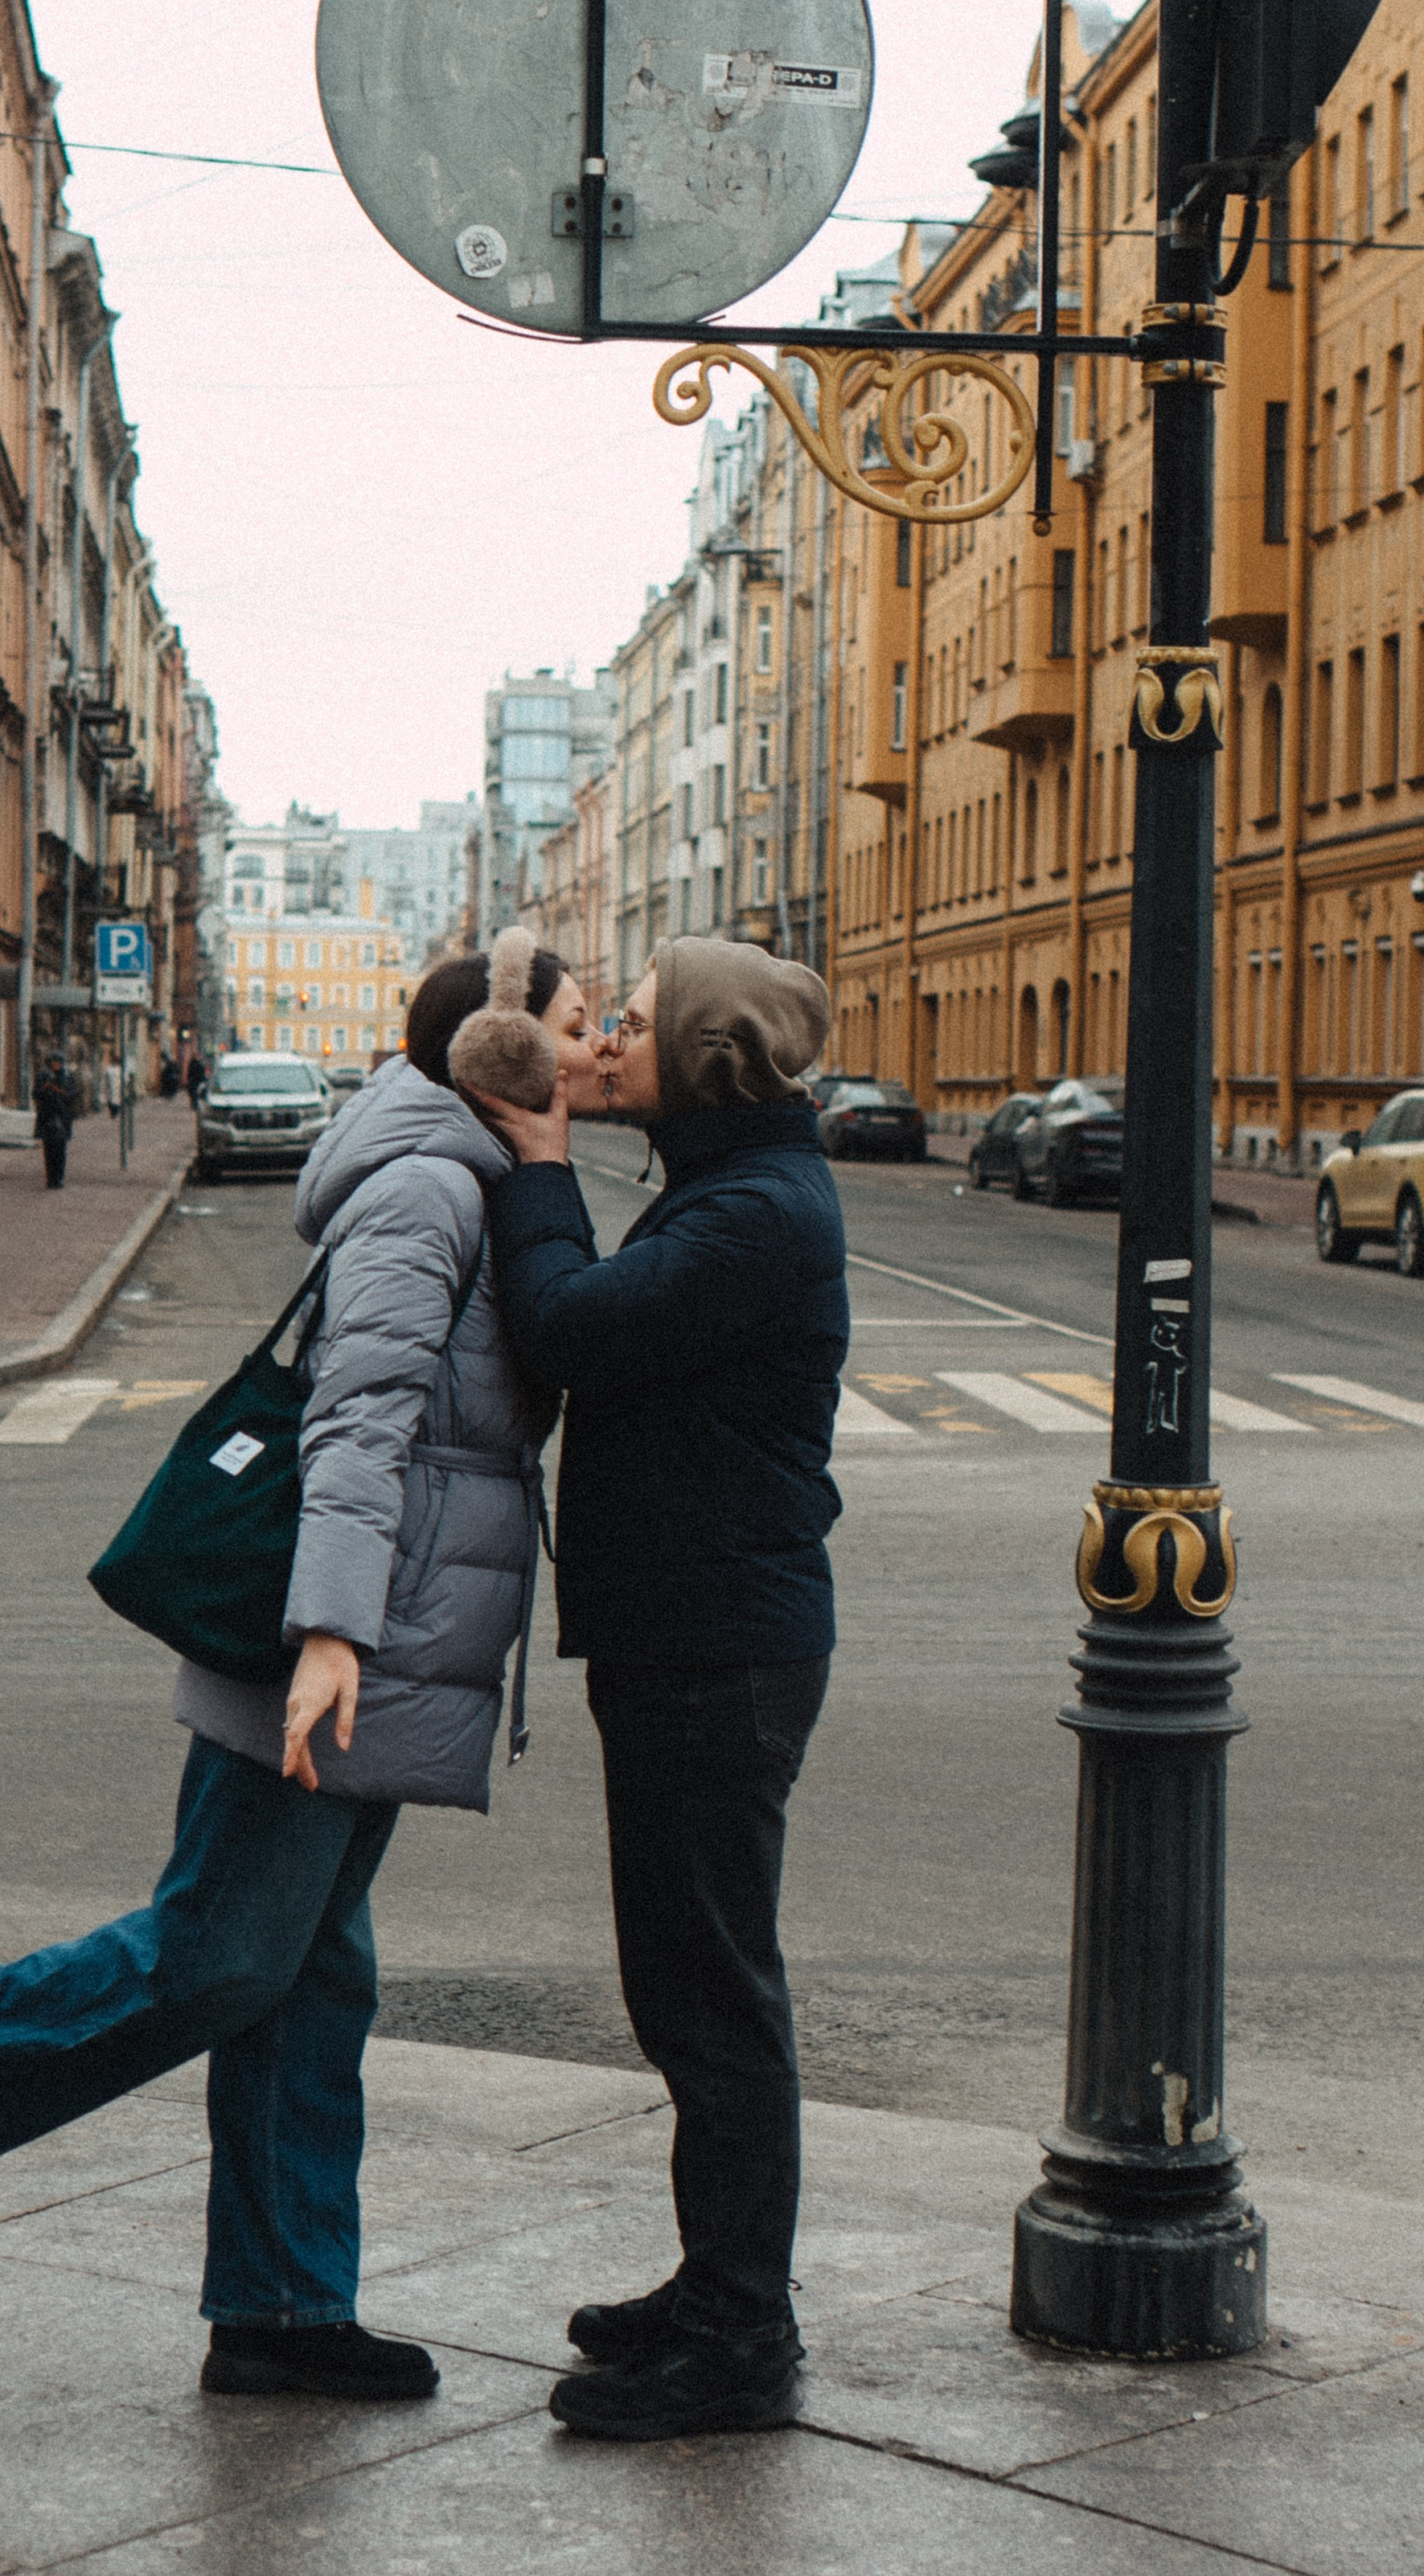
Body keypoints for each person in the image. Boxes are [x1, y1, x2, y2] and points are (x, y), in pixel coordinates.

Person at [0, 934, 604, 2402]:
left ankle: (282, 2308)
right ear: (502, 1054)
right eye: (576, 1021)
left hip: (375, 1649)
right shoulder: (430, 1193)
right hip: (325, 1651)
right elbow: (359, 1421)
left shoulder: (483, 1181)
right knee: (220, 1956)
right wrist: (332, 1635)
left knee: (311, 1981)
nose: (596, 1042)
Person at [471, 937, 845, 2443]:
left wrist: (540, 1166)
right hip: (688, 1637)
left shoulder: (755, 1214)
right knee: (689, 1993)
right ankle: (716, 2291)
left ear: (704, 1059)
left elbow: (570, 1327)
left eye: (632, 1024)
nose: (605, 1042)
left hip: (716, 1646)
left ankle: (742, 2337)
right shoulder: (729, 1188)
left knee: (714, 2005)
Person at [33, 1056, 77, 1190]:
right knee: (48, 1150)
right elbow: (35, 1094)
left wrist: (60, 1091)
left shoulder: (68, 1077)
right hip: (47, 1117)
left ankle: (59, 1177)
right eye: (53, 1063)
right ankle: (50, 1178)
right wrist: (45, 1088)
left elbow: (73, 1096)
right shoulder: (43, 1076)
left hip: (62, 1118)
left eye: (58, 1063)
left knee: (60, 1150)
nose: (55, 1066)